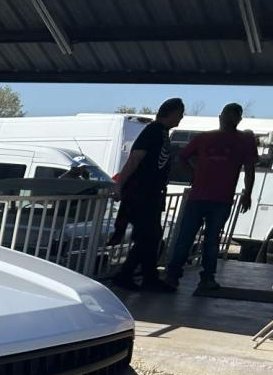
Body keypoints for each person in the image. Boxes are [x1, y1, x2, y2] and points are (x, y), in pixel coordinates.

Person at [162, 102, 258, 292]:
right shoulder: (204, 137)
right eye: (227, 114)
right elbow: (181, 157)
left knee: (211, 240)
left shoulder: (245, 141)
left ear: (239, 119)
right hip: (200, 197)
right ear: (221, 116)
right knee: (186, 237)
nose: (230, 118)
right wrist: (193, 175)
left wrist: (248, 193)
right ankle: (173, 276)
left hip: (221, 199)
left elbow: (249, 169)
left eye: (234, 115)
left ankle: (206, 278)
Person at [107, 98, 185, 292]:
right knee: (148, 236)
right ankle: (128, 275)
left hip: (151, 194)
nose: (181, 118)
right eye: (180, 113)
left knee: (151, 236)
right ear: (172, 113)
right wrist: (119, 184)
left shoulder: (163, 133)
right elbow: (135, 159)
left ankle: (147, 276)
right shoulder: (152, 131)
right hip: (141, 193)